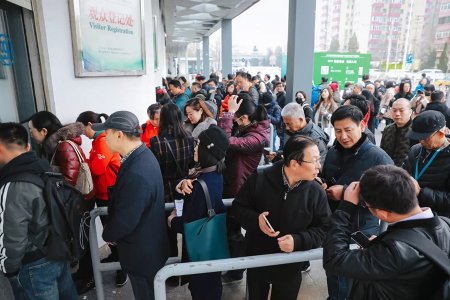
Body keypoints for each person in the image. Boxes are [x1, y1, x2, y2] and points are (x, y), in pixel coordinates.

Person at [323, 165, 450, 300]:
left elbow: (334, 259)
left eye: (368, 206)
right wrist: (381, 245)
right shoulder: (446, 223)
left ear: (383, 213)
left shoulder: (393, 251)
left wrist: (346, 208)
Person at [231, 136, 331, 300]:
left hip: (291, 265)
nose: (319, 166)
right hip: (257, 260)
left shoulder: (316, 191)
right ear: (294, 163)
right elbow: (238, 208)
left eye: (318, 160)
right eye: (314, 161)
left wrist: (298, 240)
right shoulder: (259, 179)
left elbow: (324, 229)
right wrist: (256, 220)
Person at [92, 111, 169, 300]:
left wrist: (108, 234)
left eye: (106, 133)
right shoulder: (142, 155)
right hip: (148, 247)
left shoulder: (137, 170)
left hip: (142, 254)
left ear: (119, 134)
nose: (104, 137)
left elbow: (126, 218)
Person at [320, 105, 393, 300]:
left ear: (362, 125)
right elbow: (327, 176)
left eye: (348, 130)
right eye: (338, 130)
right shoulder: (334, 150)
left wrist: (344, 192)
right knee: (334, 274)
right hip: (334, 224)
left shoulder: (378, 156)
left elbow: (390, 196)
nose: (343, 136)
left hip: (361, 228)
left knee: (352, 279)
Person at [0, 122, 78, 300]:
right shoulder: (44, 169)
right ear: (27, 146)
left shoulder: (12, 185)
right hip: (58, 251)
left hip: (34, 264)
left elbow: (12, 236)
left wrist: (8, 268)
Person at [168, 126, 230, 300]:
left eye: (198, 144)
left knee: (202, 290)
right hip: (212, 249)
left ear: (207, 149)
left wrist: (172, 220)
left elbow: (188, 225)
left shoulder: (200, 186)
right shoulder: (215, 174)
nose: (195, 148)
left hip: (200, 253)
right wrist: (182, 183)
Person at [218, 93, 270, 282]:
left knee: (235, 233)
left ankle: (236, 272)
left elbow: (223, 140)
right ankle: (232, 266)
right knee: (231, 231)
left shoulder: (256, 138)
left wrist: (229, 115)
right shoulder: (248, 129)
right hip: (232, 186)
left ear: (245, 118)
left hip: (239, 192)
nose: (234, 121)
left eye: (236, 117)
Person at [75, 111, 124, 293]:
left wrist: (85, 163)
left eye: (82, 129)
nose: (82, 134)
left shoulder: (103, 141)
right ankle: (116, 257)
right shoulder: (98, 141)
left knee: (114, 232)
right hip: (103, 193)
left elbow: (96, 168)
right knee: (110, 231)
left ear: (89, 125)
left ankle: (123, 268)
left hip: (109, 194)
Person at [403, 110, 450, 217]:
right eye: (418, 137)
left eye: (426, 138)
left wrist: (421, 192)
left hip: (437, 220)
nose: (421, 141)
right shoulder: (415, 149)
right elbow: (404, 172)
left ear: (441, 134)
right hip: (409, 211)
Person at [28, 111, 89, 189]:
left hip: (76, 198)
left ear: (44, 131)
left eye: (31, 131)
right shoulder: (48, 148)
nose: (31, 135)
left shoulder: (65, 147)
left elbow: (68, 182)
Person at [380, 99, 414, 166]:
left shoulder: (416, 131)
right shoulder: (388, 129)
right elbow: (382, 152)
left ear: (410, 112)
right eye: (394, 110)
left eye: (401, 110)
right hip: (387, 170)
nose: (397, 114)